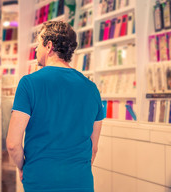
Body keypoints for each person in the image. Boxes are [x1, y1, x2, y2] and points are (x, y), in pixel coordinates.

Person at [6, 21, 105, 192]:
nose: (36, 49)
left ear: (49, 46)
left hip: (41, 181)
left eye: (38, 44)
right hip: (81, 182)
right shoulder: (92, 89)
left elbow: (13, 144)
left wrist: (23, 166)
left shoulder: (29, 84)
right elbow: (93, 148)